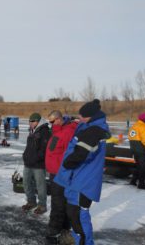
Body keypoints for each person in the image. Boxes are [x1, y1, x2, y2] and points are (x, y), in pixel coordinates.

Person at [54, 99, 110, 245]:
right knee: (75, 214)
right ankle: (80, 239)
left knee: (78, 215)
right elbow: (76, 123)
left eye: (81, 116)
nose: (79, 118)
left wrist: (67, 163)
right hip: (80, 179)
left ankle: (85, 242)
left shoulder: (93, 131)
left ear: (89, 117)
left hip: (83, 181)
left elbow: (81, 154)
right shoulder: (92, 125)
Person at [45, 111, 77, 244]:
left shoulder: (68, 132)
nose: (51, 124)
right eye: (49, 122)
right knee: (58, 202)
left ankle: (54, 231)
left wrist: (65, 172)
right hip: (55, 173)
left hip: (61, 174)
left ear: (59, 119)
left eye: (52, 122)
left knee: (58, 203)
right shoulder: (58, 131)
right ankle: (62, 228)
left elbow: (70, 154)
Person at [21, 112, 50, 215]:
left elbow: (44, 150)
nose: (30, 123)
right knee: (26, 183)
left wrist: (35, 158)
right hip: (28, 163)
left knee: (40, 185)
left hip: (38, 165)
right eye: (30, 121)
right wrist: (25, 156)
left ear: (38, 121)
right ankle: (31, 201)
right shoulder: (32, 131)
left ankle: (42, 205)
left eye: (32, 121)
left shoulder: (44, 131)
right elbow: (29, 148)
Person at [128, 112, 145, 190]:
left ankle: (133, 180)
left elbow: (133, 138)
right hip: (142, 150)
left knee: (139, 166)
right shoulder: (144, 127)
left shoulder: (134, 126)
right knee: (144, 167)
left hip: (134, 150)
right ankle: (141, 184)